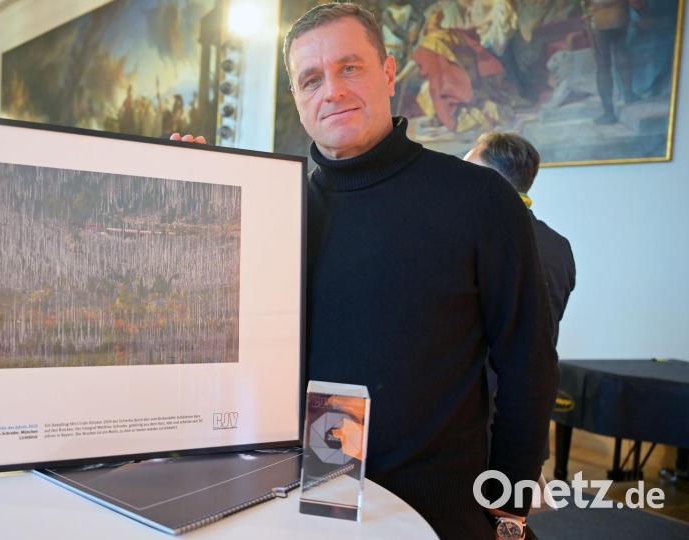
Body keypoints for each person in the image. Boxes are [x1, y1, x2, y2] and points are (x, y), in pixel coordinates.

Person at [177, 4, 557, 538]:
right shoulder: (277, 214)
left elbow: (528, 362)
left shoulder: (479, 199)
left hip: (439, 514)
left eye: (349, 67)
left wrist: (509, 507)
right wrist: (185, 203)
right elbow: (217, 337)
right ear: (298, 98)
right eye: (311, 78)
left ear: (387, 72)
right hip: (303, 503)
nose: (330, 90)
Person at [465, 131, 576, 343]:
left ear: (491, 181)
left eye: (466, 174)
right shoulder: (559, 246)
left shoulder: (476, 239)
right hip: (537, 375)